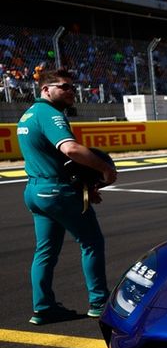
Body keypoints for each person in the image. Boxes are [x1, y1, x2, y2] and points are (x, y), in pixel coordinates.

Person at [18, 68, 118, 325]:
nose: (71, 91)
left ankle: (43, 307)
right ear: (45, 90)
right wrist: (105, 169)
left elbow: (60, 161)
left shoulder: (28, 115)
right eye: (64, 87)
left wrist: (86, 187)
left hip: (36, 190)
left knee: (45, 252)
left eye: (73, 87)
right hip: (57, 191)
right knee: (91, 243)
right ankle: (99, 302)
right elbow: (70, 149)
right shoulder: (50, 114)